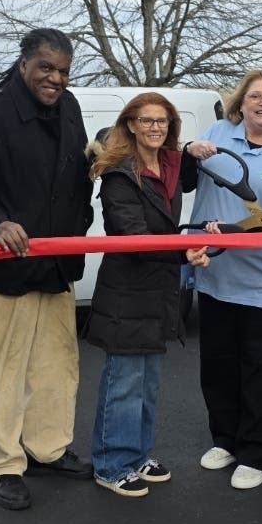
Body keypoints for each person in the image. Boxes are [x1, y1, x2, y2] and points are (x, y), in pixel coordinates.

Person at [0, 28, 94, 511]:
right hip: (10, 268)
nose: (54, 78)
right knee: (7, 370)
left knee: (58, 366)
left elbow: (75, 169)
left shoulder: (71, 106)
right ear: (24, 65)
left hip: (57, 265)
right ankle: (4, 463)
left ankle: (47, 449)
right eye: (46, 68)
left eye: (62, 70)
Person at [184, 68, 262, 490]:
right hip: (216, 276)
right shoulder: (217, 132)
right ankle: (226, 440)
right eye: (255, 96)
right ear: (242, 102)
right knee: (218, 366)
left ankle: (258, 454)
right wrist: (187, 148)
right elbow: (183, 175)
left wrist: (235, 233)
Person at [83, 94, 210, 497]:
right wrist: (183, 250)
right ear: (132, 125)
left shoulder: (171, 165)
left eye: (163, 121)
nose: (156, 127)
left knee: (148, 382)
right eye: (147, 120)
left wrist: (192, 243)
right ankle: (110, 463)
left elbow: (187, 171)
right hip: (127, 290)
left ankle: (137, 455)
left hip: (159, 288)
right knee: (123, 381)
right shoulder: (119, 174)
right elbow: (131, 235)